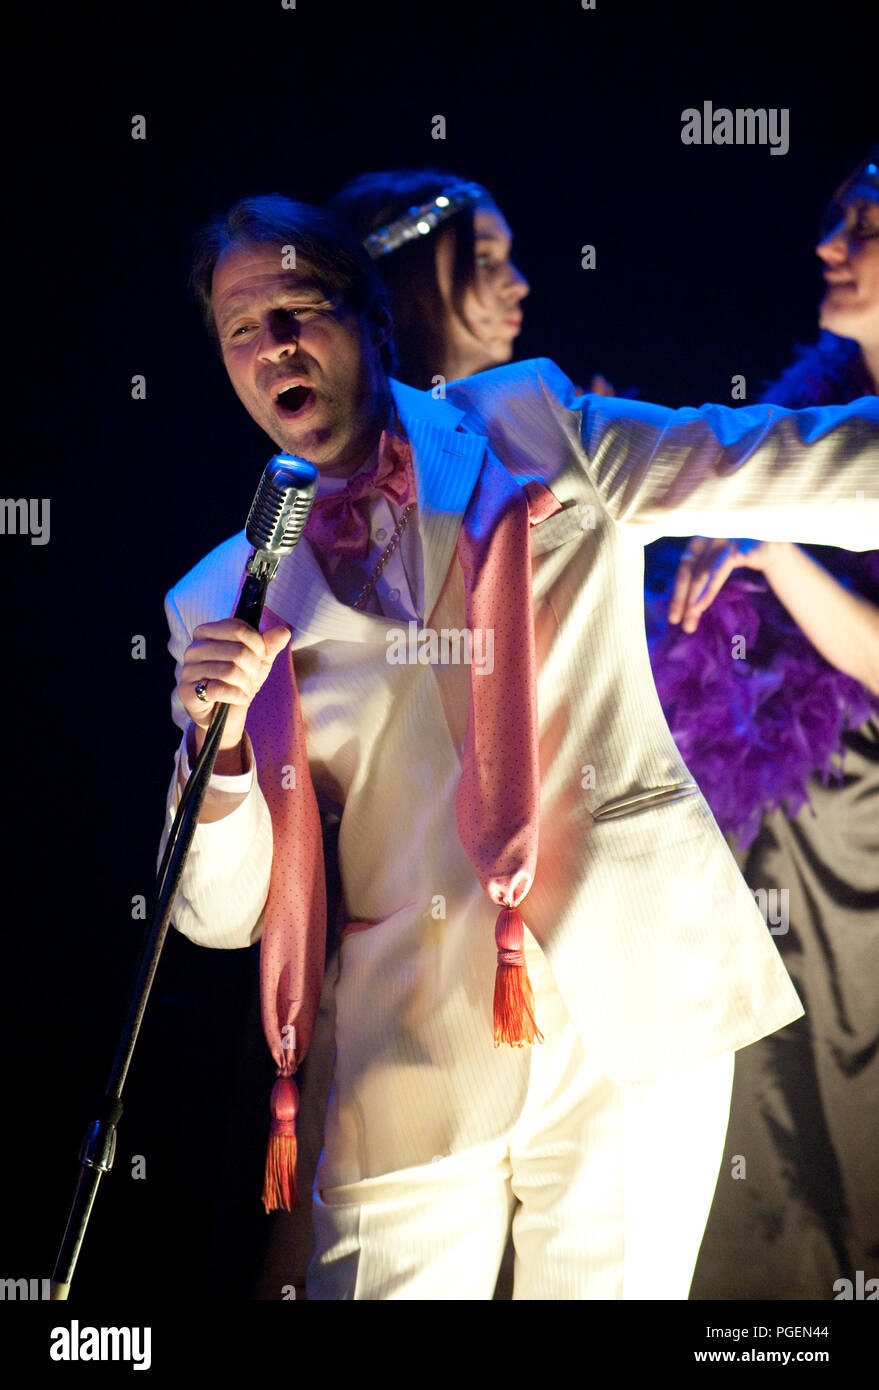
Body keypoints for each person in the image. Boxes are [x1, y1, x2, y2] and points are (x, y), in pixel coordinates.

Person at [163, 192, 877, 1300]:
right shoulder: (224, 595)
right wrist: (218, 758)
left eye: (302, 309)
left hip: (628, 1005)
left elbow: (769, 458)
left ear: (374, 322)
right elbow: (219, 912)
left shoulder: (533, 424)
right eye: (244, 330)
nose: (277, 348)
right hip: (408, 1053)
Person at [645, 148, 879, 1299]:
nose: (827, 246)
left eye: (862, 223)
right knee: (765, 1119)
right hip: (781, 804)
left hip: (869, 832)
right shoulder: (807, 408)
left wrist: (771, 539)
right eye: (831, 222)